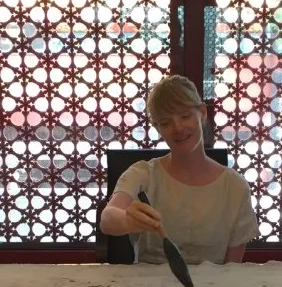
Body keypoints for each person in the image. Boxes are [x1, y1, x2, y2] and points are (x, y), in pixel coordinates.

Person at [99, 75, 258, 264]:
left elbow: (233, 269)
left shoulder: (234, 187)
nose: (178, 128)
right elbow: (108, 218)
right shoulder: (143, 174)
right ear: (158, 128)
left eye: (185, 116)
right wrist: (127, 219)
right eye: (166, 123)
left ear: (202, 113)